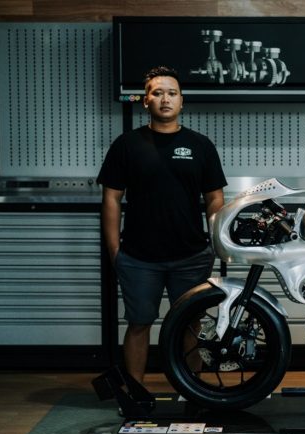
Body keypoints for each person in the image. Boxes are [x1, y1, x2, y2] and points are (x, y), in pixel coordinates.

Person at [97, 65, 227, 384]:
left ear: (182, 101)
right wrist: (115, 251)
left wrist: (216, 243)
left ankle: (193, 392)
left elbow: (214, 198)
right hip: (139, 257)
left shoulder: (201, 145)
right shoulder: (126, 145)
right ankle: (134, 394)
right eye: (157, 93)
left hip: (191, 256)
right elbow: (111, 199)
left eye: (172, 93)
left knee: (190, 324)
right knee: (139, 324)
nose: (165, 99)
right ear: (146, 101)